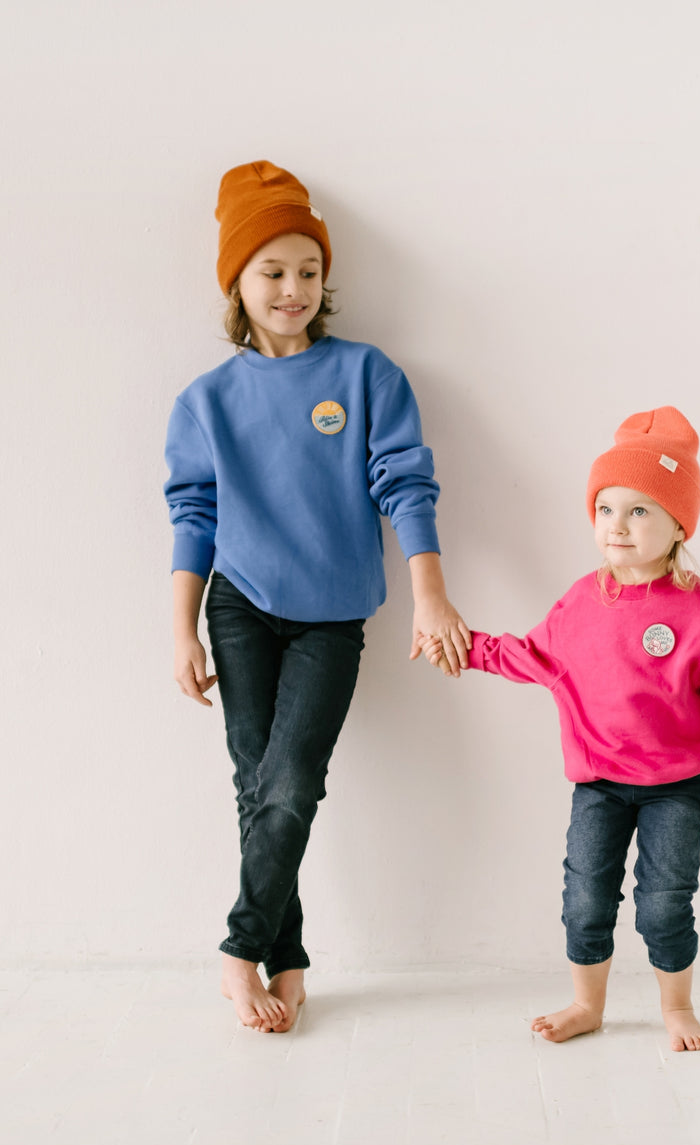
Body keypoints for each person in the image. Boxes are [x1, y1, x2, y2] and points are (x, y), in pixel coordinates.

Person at [165, 161, 470, 1033]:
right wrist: (181, 629)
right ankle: (286, 957)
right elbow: (193, 515)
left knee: (292, 780)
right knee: (256, 784)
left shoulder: (368, 376)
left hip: (332, 616)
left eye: (308, 270)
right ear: (237, 280)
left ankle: (238, 950)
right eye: (272, 271)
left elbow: (406, 485)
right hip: (240, 607)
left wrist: (431, 596)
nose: (293, 288)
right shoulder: (206, 401)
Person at [423, 407, 700, 1050]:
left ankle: (677, 1007)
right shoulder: (583, 601)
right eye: (606, 509)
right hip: (599, 786)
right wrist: (464, 645)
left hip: (677, 786)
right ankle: (588, 1004)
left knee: (665, 902)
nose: (618, 525)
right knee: (586, 899)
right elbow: (534, 658)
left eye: (640, 511)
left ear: (677, 526)